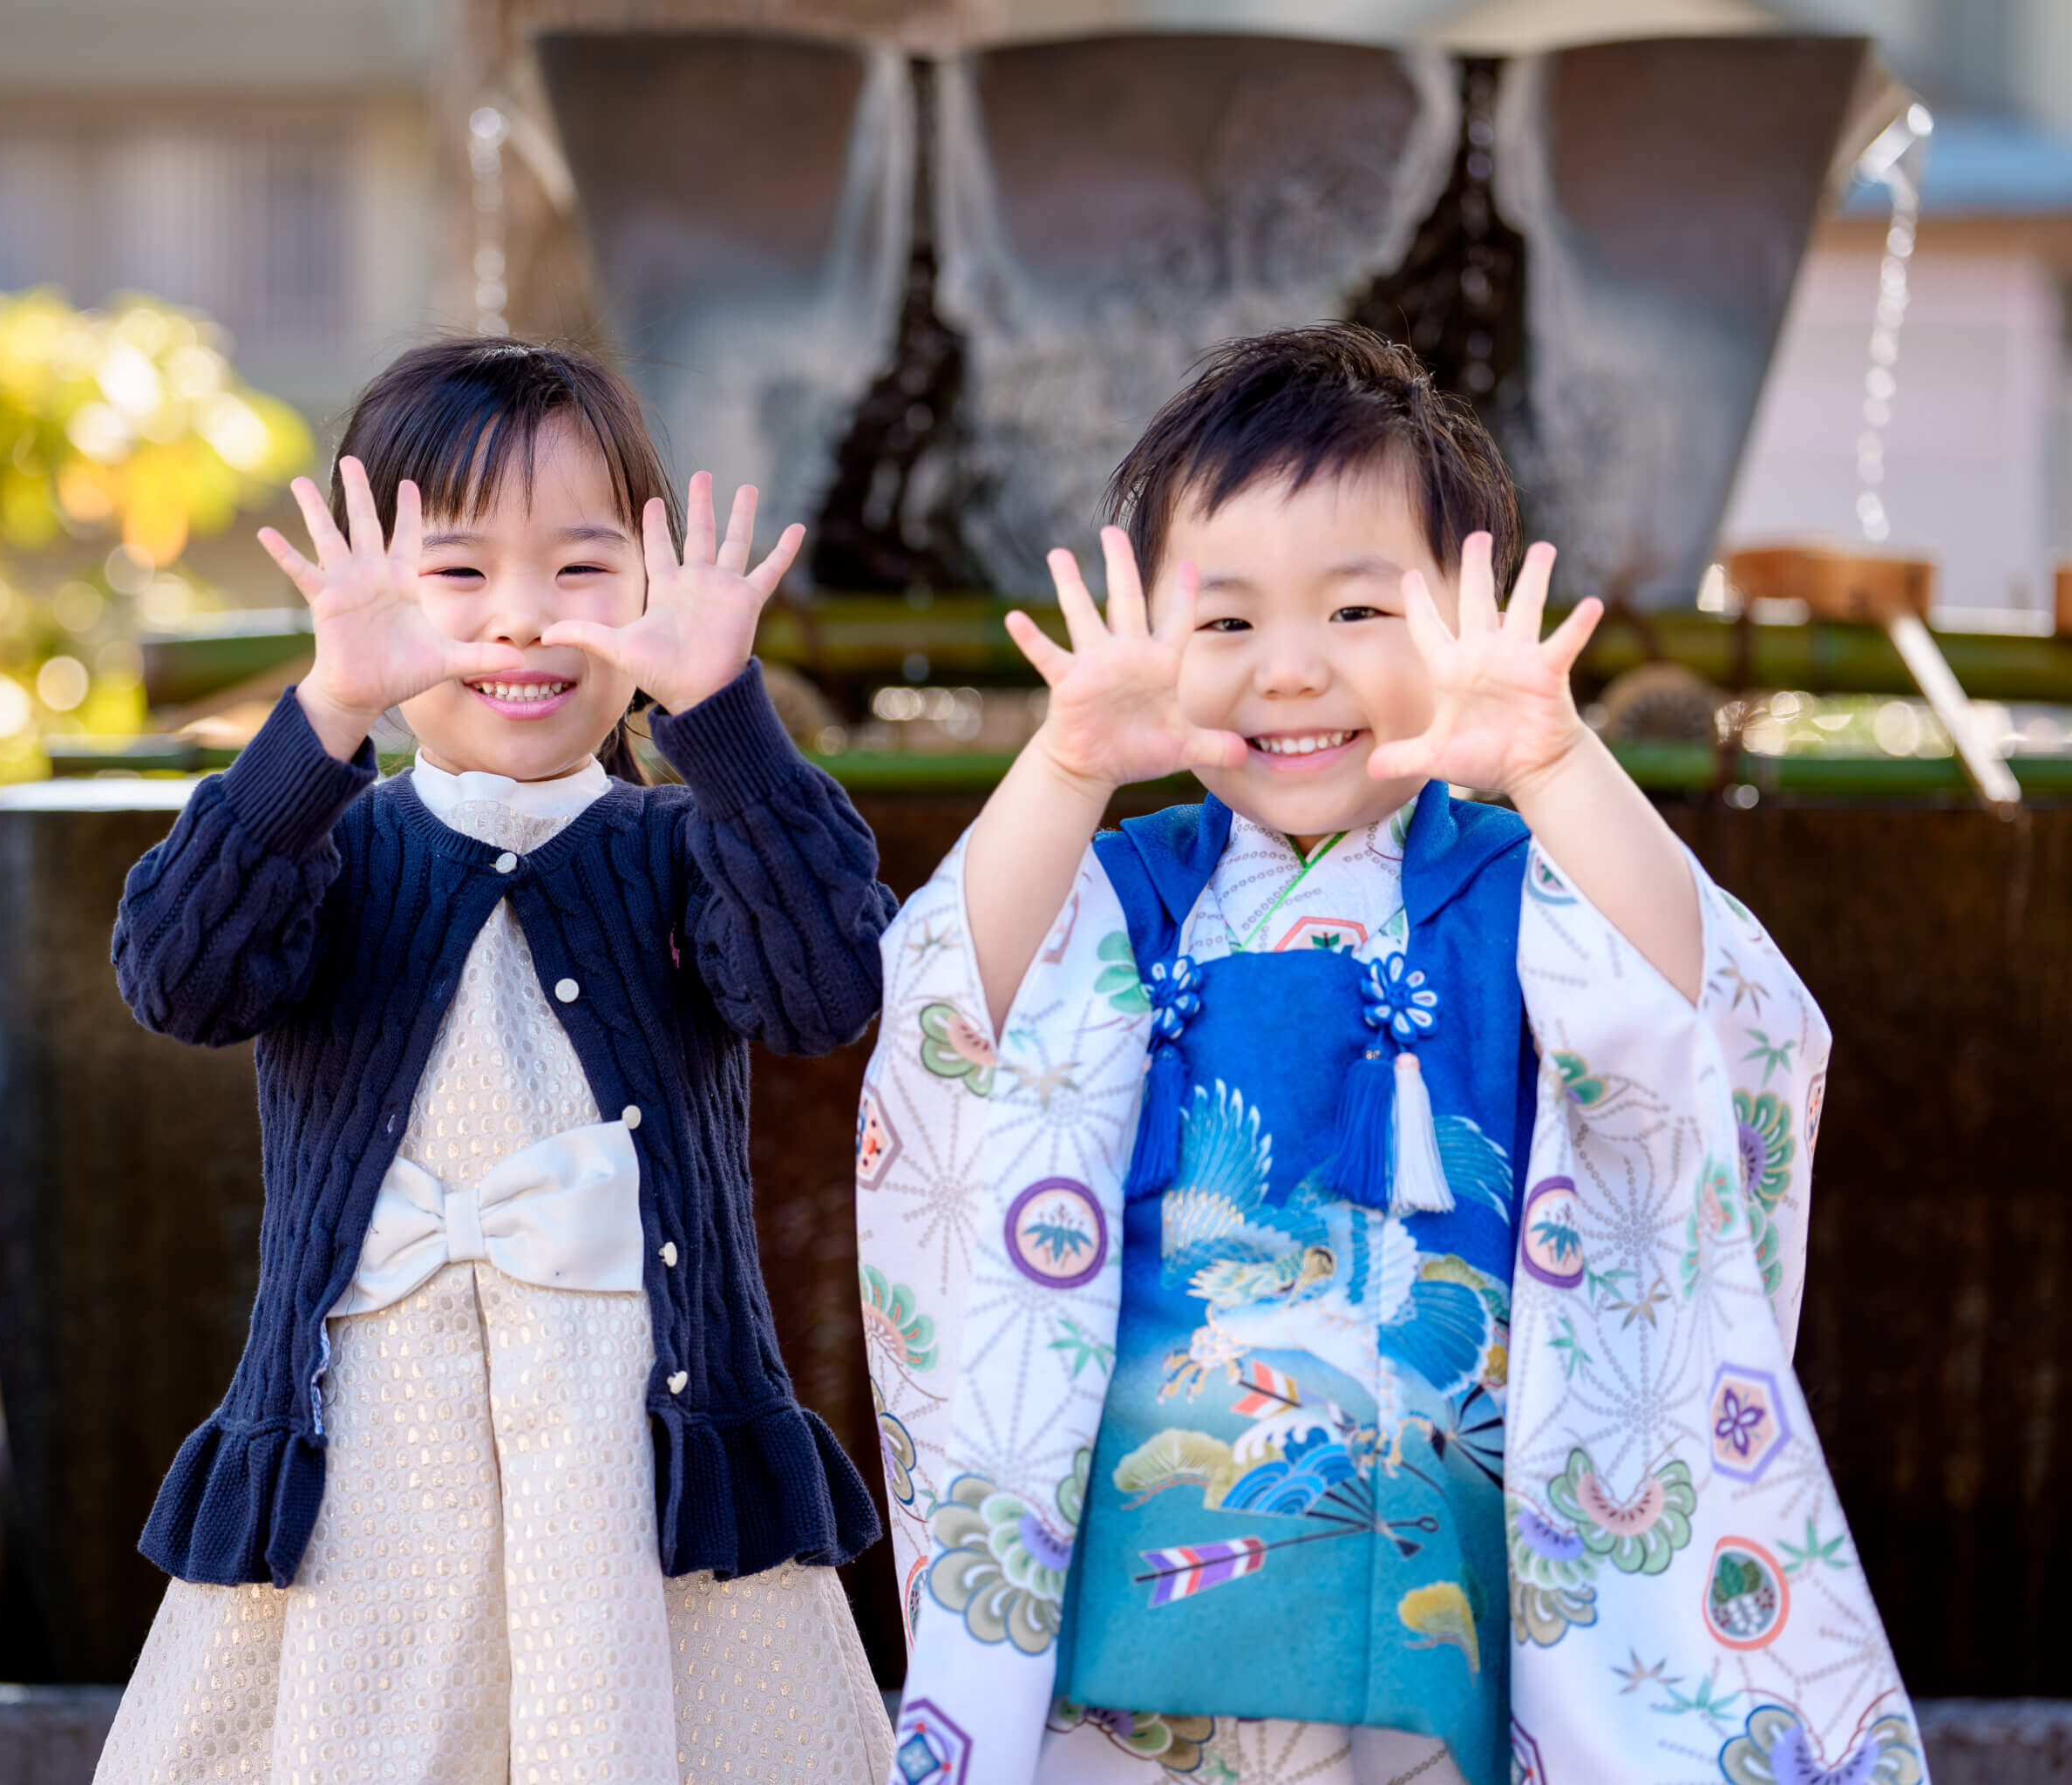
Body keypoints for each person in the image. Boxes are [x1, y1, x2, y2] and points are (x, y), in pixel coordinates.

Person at [857, 324, 1923, 1784]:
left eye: (1358, 611)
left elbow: (1719, 1020)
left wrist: (1555, 765)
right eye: (1224, 624)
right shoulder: (1124, 886)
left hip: (1442, 1538)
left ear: (1467, 612)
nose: (1290, 671)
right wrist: (1067, 766)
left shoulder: (1515, 880)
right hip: (1150, 1524)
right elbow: (944, 1023)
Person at [95, 338, 897, 1783]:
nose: (522, 624)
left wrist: (723, 723)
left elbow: (822, 988)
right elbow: (181, 975)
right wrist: (322, 721)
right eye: (459, 576)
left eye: (582, 571)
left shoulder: (681, 846)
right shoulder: (324, 844)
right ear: (372, 598)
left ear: (649, 591)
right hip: (373, 1465)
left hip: (635, 1461)